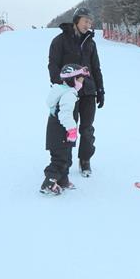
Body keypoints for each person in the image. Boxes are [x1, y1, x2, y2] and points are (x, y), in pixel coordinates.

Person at [48, 7, 105, 177]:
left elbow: (96, 68)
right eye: (85, 20)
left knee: (87, 129)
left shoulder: (90, 43)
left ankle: (85, 160)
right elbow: (53, 65)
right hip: (68, 92)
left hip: (88, 91)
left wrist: (100, 90)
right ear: (76, 20)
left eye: (90, 22)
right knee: (67, 127)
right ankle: (64, 162)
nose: (88, 24)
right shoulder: (60, 40)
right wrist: (60, 85)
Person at [40, 64, 90, 195]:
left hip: (57, 133)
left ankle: (62, 180)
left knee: (66, 158)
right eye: (80, 80)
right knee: (59, 160)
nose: (81, 83)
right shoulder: (69, 94)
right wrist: (72, 130)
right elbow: (65, 114)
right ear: (72, 80)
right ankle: (49, 183)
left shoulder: (60, 90)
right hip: (61, 133)